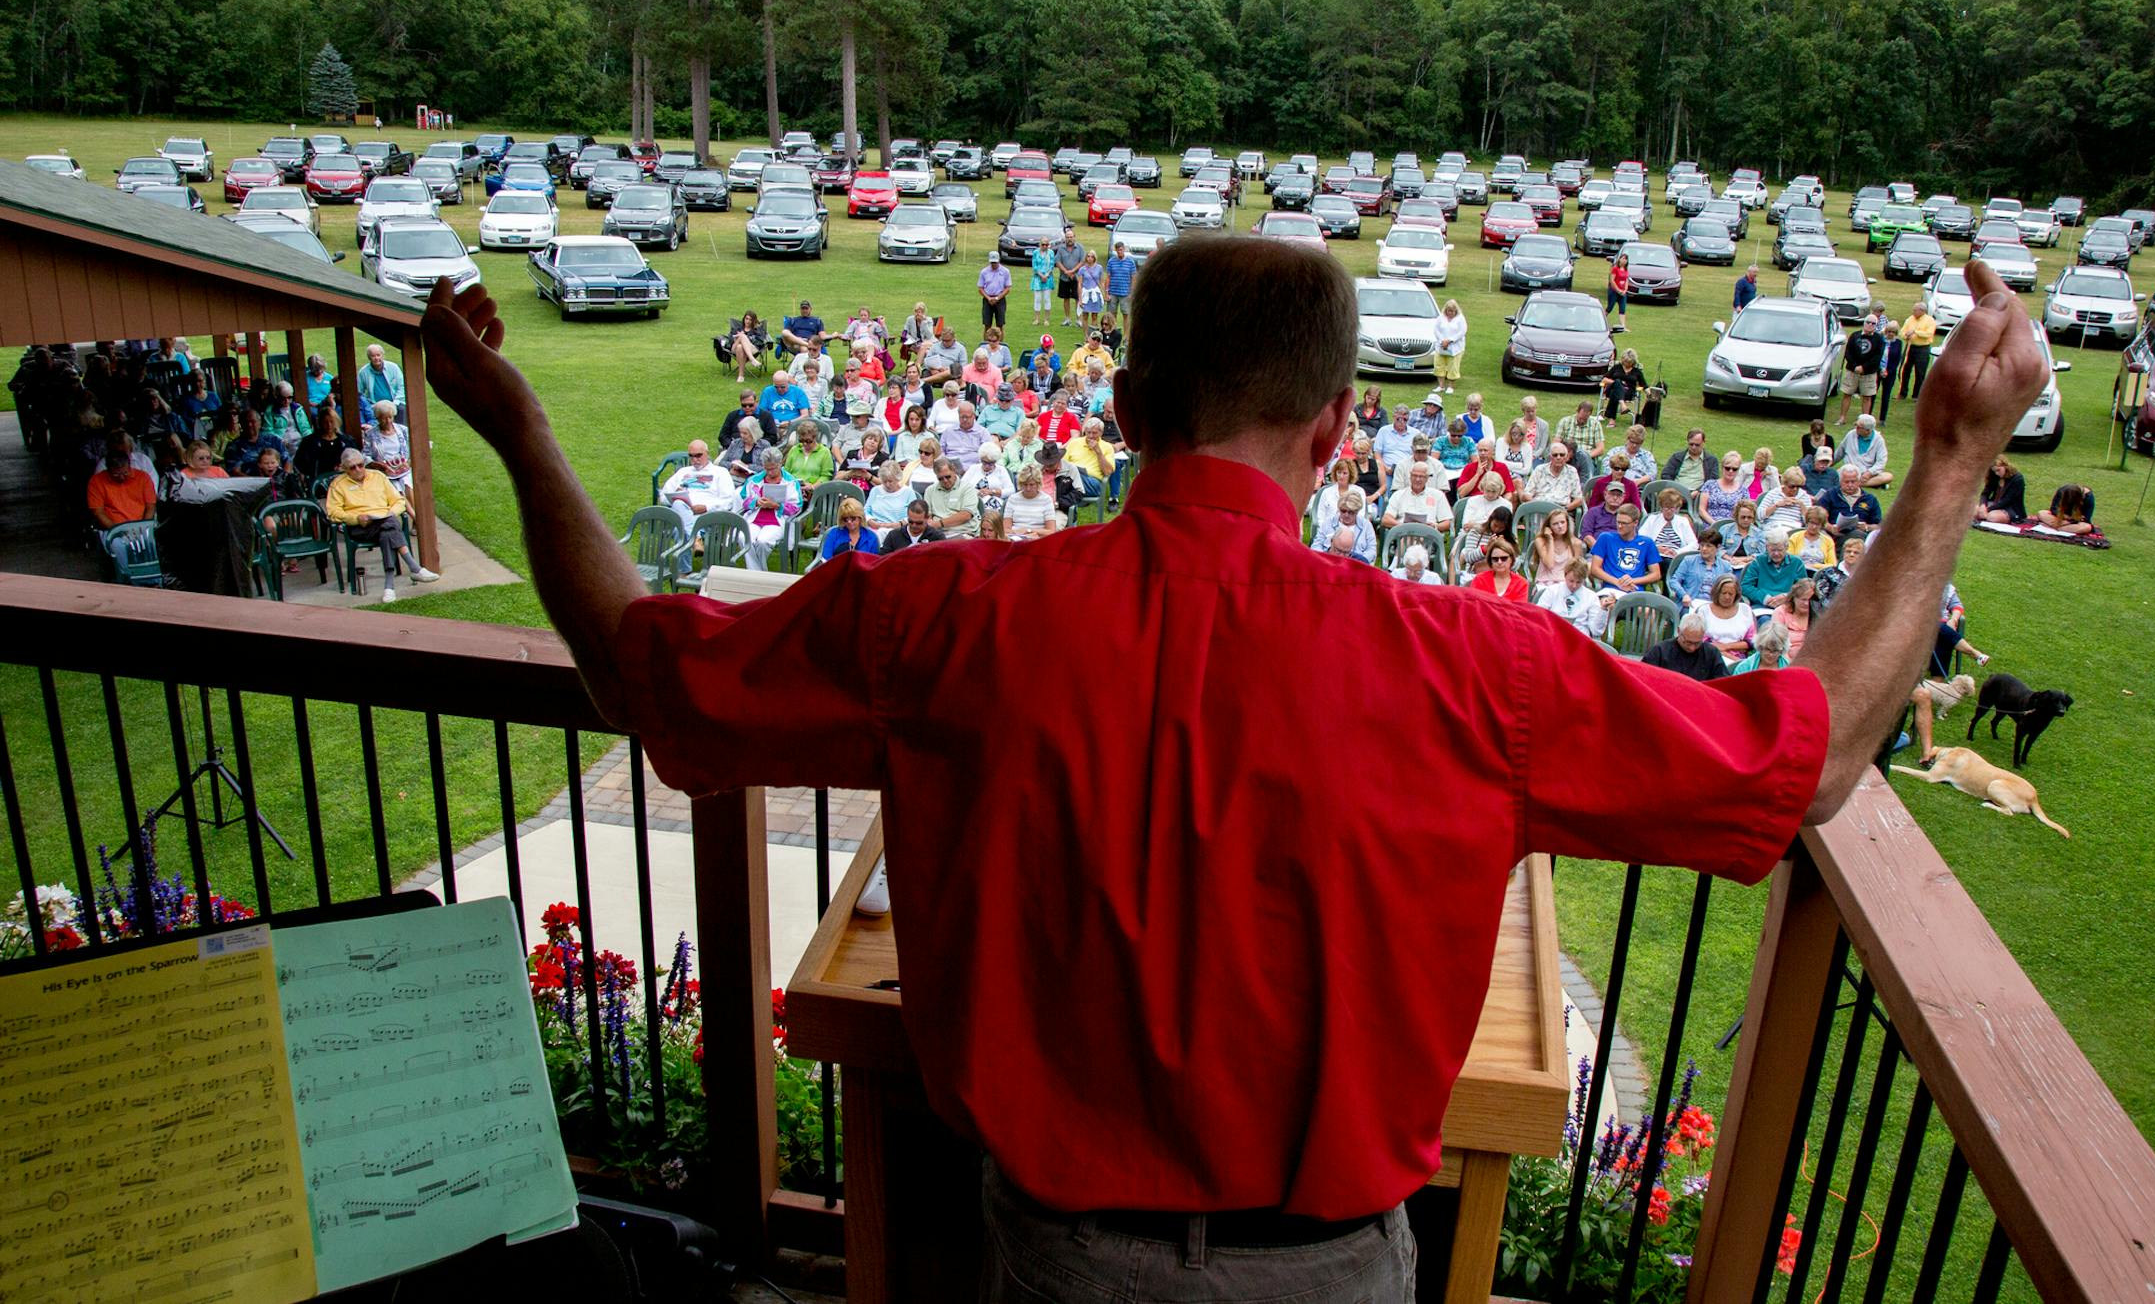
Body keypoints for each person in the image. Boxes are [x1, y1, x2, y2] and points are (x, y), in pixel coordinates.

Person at [416, 241, 2045, 1302]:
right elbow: (1806, 755)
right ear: (1340, 431)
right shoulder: (1475, 667)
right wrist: (1955, 454)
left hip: (1033, 1259)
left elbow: (647, 669)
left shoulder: (953, 620)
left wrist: (517, 427)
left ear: (1124, 408)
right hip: (1332, 1275)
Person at [324, 447, 438, 599]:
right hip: (360, 528)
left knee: (388, 531)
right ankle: (414, 568)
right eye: (353, 467)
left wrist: (391, 513)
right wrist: (356, 518)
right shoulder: (338, 485)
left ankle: (389, 587)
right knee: (391, 525)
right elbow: (333, 513)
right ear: (344, 469)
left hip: (383, 521)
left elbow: (398, 501)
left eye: (361, 465)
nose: (358, 469)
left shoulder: (378, 477)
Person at [657, 440, 740, 570]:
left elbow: (728, 500)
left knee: (680, 528)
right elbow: (663, 496)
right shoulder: (683, 472)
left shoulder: (720, 472)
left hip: (706, 517)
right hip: (684, 512)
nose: (695, 459)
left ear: (707, 454)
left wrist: (706, 507)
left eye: (698, 455)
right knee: (679, 503)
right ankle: (695, 538)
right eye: (691, 456)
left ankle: (683, 571)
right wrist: (675, 495)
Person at [87, 442, 158, 549]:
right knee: (120, 547)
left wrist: (143, 528)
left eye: (125, 473)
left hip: (142, 525)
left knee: (152, 546)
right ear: (108, 470)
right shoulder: (97, 481)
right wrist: (117, 531)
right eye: (116, 475)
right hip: (113, 528)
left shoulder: (143, 478)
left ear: (129, 466)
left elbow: (150, 506)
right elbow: (98, 512)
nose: (121, 477)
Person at [740, 449, 802, 569]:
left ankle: (755, 573)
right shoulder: (754, 480)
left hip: (778, 519)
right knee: (744, 537)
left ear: (780, 464)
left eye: (773, 468)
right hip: (755, 517)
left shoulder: (790, 481)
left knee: (763, 541)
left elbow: (796, 507)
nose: (770, 472)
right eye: (767, 469)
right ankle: (759, 574)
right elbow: (744, 500)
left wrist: (777, 506)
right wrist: (756, 502)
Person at [1589, 504, 1660, 592]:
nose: (1620, 526)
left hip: (1635, 590)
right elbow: (1595, 569)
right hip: (1611, 588)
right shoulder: (1606, 538)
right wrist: (1617, 582)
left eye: (1624, 523)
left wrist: (1632, 581)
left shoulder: (1647, 543)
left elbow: (1656, 574)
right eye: (1618, 522)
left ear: (1635, 523)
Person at [1644, 611, 1729, 681]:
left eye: (1697, 643)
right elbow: (1643, 678)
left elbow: (1722, 682)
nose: (1692, 648)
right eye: (1688, 642)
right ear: (1678, 631)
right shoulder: (1659, 652)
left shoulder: (1711, 653)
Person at [1536, 559, 1610, 637]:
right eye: (1571, 581)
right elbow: (1539, 615)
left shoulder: (1591, 597)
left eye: (1579, 582)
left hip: (1579, 636)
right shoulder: (1552, 591)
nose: (1574, 586)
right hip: (1553, 634)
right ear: (1565, 575)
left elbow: (1596, 631)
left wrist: (1603, 610)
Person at [1836, 314, 1885, 426]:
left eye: (1873, 323)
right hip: (1852, 371)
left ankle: (1864, 422)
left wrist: (1864, 367)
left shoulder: (1879, 339)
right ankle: (1842, 417)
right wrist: (1855, 366)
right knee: (1847, 394)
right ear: (1864, 323)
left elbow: (1877, 357)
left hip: (1869, 373)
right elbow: (1848, 352)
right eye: (1868, 322)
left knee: (1867, 396)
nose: (1870, 325)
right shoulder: (1855, 336)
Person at [1740, 526, 1806, 610]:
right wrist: (1765, 598)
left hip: (1788, 606)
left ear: (1787, 547)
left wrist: (1787, 596)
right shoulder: (1758, 561)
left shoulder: (1797, 563)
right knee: (1765, 621)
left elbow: (1803, 588)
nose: (1776, 553)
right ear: (1767, 547)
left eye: (1780, 550)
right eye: (1772, 550)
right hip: (1762, 605)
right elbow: (1745, 586)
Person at [1693, 576, 1756, 661]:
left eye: (1731, 594)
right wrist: (1728, 655)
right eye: (1723, 593)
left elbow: (1751, 641)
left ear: (1736, 594)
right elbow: (1701, 641)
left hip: (1740, 658)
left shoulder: (1745, 609)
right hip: (1709, 657)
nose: (1727, 597)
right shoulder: (1704, 611)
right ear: (1717, 592)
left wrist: (1726, 647)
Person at [1530, 507, 1586, 596]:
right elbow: (1550, 564)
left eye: (1562, 522)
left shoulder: (1575, 543)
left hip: (1566, 583)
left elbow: (1576, 570)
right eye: (1555, 524)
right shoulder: (1541, 541)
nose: (1560, 526)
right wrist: (1550, 540)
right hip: (1545, 582)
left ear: (1567, 523)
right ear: (1549, 527)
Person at [294, 405, 358, 482]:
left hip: (345, 479)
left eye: (331, 421)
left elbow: (356, 460)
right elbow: (300, 463)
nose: (329, 425)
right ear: (320, 423)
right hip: (319, 481)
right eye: (325, 422)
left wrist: (345, 467)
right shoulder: (309, 442)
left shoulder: (347, 441)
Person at [1310, 489, 1376, 564]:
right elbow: (1316, 544)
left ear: (1357, 511)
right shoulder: (1329, 522)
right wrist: (1324, 558)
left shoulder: (1366, 525)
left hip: (1355, 565)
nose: (1346, 515)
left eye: (1351, 512)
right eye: (1343, 511)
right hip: (1329, 563)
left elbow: (1372, 550)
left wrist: (1360, 561)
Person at [1667, 530, 1732, 605]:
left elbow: (1730, 588)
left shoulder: (1726, 566)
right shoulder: (1689, 561)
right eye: (1702, 545)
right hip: (1691, 603)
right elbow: (1674, 581)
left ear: (1718, 547)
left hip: (1714, 605)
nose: (1704, 548)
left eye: (1708, 546)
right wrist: (1684, 595)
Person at [364, 399, 414, 496]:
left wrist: (408, 463)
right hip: (384, 471)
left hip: (404, 468)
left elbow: (415, 449)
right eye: (383, 418)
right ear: (377, 418)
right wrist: (380, 465)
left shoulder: (402, 430)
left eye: (390, 417)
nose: (388, 421)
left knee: (407, 483)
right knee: (396, 488)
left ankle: (414, 511)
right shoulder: (371, 434)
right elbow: (365, 456)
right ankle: (410, 511)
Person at [1818, 464, 1885, 537]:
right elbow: (1818, 518)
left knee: (1857, 534)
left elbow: (1879, 526)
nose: (1850, 485)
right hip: (1835, 537)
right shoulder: (1830, 495)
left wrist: (1867, 527)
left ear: (1859, 481)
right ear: (1840, 482)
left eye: (1853, 482)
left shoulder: (1870, 499)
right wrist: (1830, 528)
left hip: (1861, 537)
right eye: (1846, 482)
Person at [925, 456, 981, 539]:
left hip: (964, 532)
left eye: (948, 477)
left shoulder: (967, 488)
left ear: (954, 471)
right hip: (939, 534)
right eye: (940, 479)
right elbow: (927, 516)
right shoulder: (930, 490)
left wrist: (938, 524)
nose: (945, 481)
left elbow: (966, 515)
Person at [1382, 461, 1448, 530]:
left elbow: (1447, 522)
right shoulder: (1398, 495)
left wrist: (1434, 526)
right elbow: (1386, 520)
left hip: (1428, 534)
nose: (1417, 479)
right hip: (1403, 533)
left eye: (1421, 476)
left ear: (1427, 478)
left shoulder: (1438, 495)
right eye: (1415, 475)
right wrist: (1403, 526)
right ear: (1410, 476)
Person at [1640, 486, 1699, 561]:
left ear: (1677, 508)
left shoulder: (1683, 521)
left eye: (1672, 508)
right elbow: (1641, 539)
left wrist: (1676, 552)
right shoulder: (1652, 519)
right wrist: (1655, 548)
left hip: (1674, 556)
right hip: (1654, 554)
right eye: (1666, 507)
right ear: (1661, 507)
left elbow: (1694, 544)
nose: (1669, 511)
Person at [1005, 463, 1061, 540]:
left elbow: (1051, 531)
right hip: (1015, 538)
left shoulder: (1046, 500)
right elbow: (1005, 529)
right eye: (1025, 484)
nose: (1028, 488)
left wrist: (1029, 531)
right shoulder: (1013, 499)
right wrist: (1017, 533)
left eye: (1031, 485)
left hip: (1038, 539)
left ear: (1038, 484)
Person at [817, 497, 881, 562]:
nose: (849, 522)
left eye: (853, 518)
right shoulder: (834, 533)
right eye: (845, 519)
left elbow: (873, 563)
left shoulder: (871, 537)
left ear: (860, 517)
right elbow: (826, 560)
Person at [1840, 414, 1893, 488]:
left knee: (1888, 476)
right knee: (1836, 474)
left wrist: (1869, 473)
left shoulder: (1878, 440)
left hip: (1866, 474)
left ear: (1868, 430)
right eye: (1856, 426)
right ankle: (1873, 485)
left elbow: (1881, 462)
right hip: (1849, 471)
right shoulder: (1850, 434)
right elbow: (1839, 453)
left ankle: (1853, 484)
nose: (1856, 428)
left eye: (1859, 427)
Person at [1697, 452, 1750, 525]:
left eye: (1734, 469)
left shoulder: (1743, 491)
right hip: (1710, 525)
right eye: (1727, 468)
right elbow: (1701, 510)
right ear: (1722, 467)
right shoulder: (1709, 485)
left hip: (1733, 527)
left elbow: (1745, 514)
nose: (1730, 471)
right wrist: (1714, 524)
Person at [1525, 443, 1584, 508]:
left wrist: (1566, 508)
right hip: (1539, 508)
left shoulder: (1572, 472)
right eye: (1555, 455)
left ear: (1567, 457)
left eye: (1562, 455)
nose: (1558, 457)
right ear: (1550, 457)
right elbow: (1527, 494)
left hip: (1561, 510)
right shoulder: (1539, 470)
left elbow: (1579, 499)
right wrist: (1535, 505)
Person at [1898, 303, 1937, 400]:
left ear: (1922, 311)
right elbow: (1902, 332)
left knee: (1920, 372)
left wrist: (1915, 332)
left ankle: (1917, 395)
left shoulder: (1929, 320)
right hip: (1910, 347)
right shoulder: (1910, 319)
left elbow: (1929, 333)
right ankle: (1903, 393)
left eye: (1915, 310)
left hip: (1923, 348)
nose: (1913, 312)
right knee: (1905, 370)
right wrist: (1905, 335)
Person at [784, 421, 836, 489]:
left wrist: (812, 487)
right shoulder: (794, 450)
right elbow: (786, 472)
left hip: (814, 489)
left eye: (808, 441)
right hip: (793, 488)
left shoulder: (824, 452)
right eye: (801, 440)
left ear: (815, 438)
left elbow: (826, 477)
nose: (804, 444)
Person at [1759, 467, 1813, 532]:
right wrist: (1777, 505)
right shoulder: (1774, 493)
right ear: (1785, 483)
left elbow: (1809, 522)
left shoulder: (1805, 497)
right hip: (1773, 526)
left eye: (1798, 486)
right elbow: (1760, 515)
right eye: (1792, 486)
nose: (1795, 489)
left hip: (1794, 528)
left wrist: (1801, 505)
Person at [1599, 351, 1646, 423]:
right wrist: (1617, 383)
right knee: (1617, 382)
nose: (1627, 364)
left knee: (1614, 392)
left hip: (1628, 393)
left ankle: (1612, 420)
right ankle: (1622, 404)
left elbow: (1644, 384)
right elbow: (1604, 379)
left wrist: (1649, 392)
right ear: (1623, 360)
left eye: (1629, 362)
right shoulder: (1616, 367)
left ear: (1633, 362)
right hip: (1612, 387)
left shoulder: (1637, 372)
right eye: (1625, 362)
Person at [1976, 456, 2025, 524]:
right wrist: (1983, 505)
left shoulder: (2017, 479)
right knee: (1971, 510)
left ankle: (1986, 516)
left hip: (2010, 508)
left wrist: (1987, 510)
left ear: (2005, 466)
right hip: (1994, 504)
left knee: (1992, 517)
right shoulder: (1994, 475)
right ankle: (1985, 515)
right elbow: (1985, 493)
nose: (1997, 473)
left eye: (1998, 470)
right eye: (1994, 471)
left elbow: (2007, 500)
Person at [1053, 225, 1086, 327]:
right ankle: (1067, 319)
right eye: (1067, 237)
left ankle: (1078, 319)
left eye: (1071, 237)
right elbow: (1057, 261)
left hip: (1077, 278)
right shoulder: (1061, 248)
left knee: (1077, 298)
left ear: (1074, 237)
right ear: (1065, 238)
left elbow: (1082, 261)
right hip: (1064, 278)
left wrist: (1072, 271)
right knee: (1066, 298)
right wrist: (1066, 271)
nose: (1069, 239)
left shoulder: (1080, 248)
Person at [1774, 579, 1817, 657]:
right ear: (1794, 598)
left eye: (1810, 600)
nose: (1806, 603)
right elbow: (1777, 643)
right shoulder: (1781, 612)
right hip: (1785, 659)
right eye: (1803, 599)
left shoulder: (1818, 614)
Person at [1104, 241, 1139, 333]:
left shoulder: (1130, 262)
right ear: (1115, 250)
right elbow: (1108, 277)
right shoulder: (1111, 261)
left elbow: (1133, 278)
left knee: (1126, 314)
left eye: (1121, 250)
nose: (1120, 252)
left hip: (1125, 293)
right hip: (1113, 292)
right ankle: (1112, 333)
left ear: (1124, 249)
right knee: (1111, 315)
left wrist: (1132, 292)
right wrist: (1106, 292)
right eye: (1118, 250)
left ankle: (1126, 336)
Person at [357, 344, 406, 410]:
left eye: (378, 355)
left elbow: (402, 387)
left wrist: (395, 403)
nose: (376, 358)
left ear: (382, 356)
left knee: (402, 409)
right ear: (369, 357)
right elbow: (359, 392)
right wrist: (367, 404)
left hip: (395, 403)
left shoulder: (394, 368)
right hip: (374, 406)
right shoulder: (363, 372)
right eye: (373, 356)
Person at [1433, 299, 1467, 393]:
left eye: (1453, 311)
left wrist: (1450, 340)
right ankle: (1441, 385)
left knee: (1453, 366)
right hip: (1441, 346)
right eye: (1449, 311)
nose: (1451, 313)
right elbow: (1436, 329)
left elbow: (1462, 331)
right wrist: (1442, 340)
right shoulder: (1441, 317)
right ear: (1446, 310)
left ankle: (1451, 386)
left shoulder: (1460, 318)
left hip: (1455, 347)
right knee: (1439, 365)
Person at [725, 311, 769, 382]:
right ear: (744, 319)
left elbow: (760, 342)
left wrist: (747, 337)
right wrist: (737, 338)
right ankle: (752, 360)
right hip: (734, 348)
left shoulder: (757, 330)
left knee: (741, 346)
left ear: (753, 321)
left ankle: (741, 375)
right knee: (741, 339)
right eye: (746, 318)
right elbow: (729, 340)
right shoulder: (738, 328)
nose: (748, 321)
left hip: (752, 349)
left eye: (750, 319)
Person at [978, 251, 1013, 334]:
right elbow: (980, 288)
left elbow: (1007, 288)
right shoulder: (984, 272)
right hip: (987, 299)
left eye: (995, 262)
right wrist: (988, 298)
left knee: (1000, 325)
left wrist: (997, 298)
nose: (994, 264)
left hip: (1000, 300)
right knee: (987, 325)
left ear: (999, 261)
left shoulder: (1005, 271)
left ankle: (1000, 345)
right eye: (992, 262)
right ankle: (986, 344)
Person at [1029, 239, 1057, 327]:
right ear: (1040, 244)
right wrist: (1041, 275)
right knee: (1037, 299)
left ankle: (1046, 319)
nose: (1045, 246)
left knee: (1046, 299)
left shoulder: (1051, 253)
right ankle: (1037, 319)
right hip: (1037, 278)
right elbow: (1034, 266)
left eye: (1046, 244)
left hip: (1048, 278)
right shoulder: (1035, 253)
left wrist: (1047, 275)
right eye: (1043, 244)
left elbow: (1052, 265)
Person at [1605, 254, 1631, 330]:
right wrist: (1617, 290)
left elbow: (1626, 280)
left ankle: (1623, 326)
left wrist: (1625, 290)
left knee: (1622, 309)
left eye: (1626, 259)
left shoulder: (1626, 270)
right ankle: (1601, 319)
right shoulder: (1615, 269)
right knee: (1610, 307)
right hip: (1614, 291)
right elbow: (1612, 280)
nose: (1624, 260)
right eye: (1623, 258)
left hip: (1622, 292)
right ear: (1619, 259)